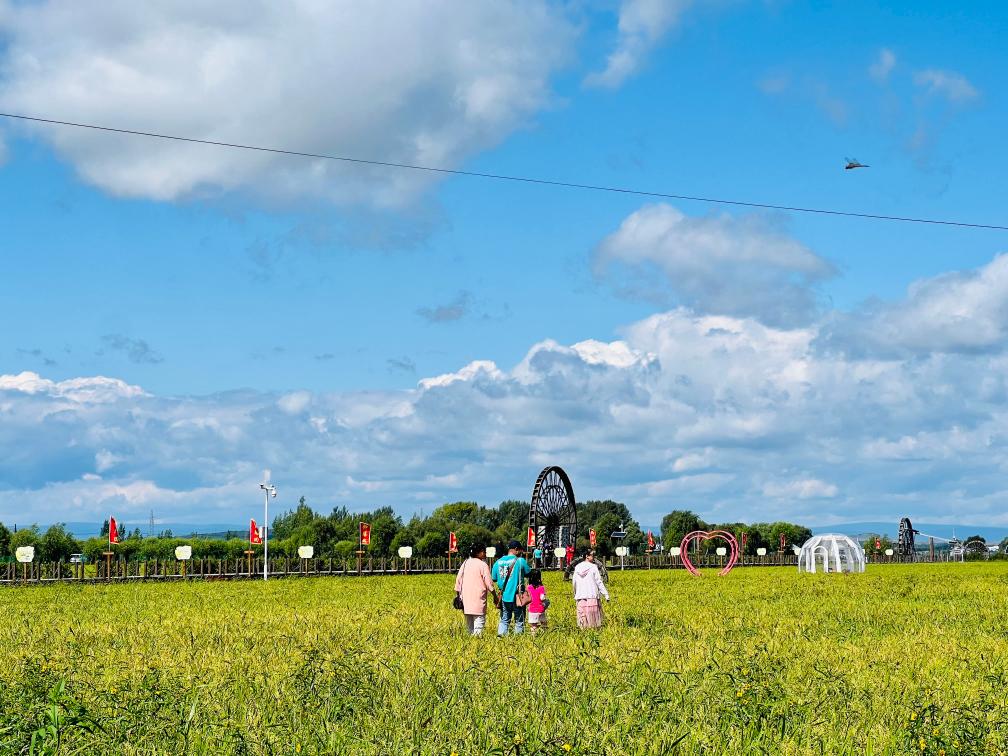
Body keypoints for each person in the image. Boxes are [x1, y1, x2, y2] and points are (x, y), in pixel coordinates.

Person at [454, 543, 497, 636]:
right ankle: (476, 645)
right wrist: (495, 595)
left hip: (465, 600)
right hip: (478, 600)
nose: (485, 554)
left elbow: (458, 581)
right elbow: (489, 583)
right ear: (479, 553)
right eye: (484, 552)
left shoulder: (465, 563)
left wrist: (458, 595)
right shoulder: (483, 565)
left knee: (469, 628)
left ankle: (469, 645)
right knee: (478, 626)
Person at [491, 540, 531, 636]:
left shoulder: (498, 562)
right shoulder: (520, 561)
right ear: (516, 549)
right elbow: (528, 573)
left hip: (504, 596)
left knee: (504, 619)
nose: (521, 553)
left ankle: (501, 637)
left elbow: (494, 578)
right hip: (518, 596)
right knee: (519, 620)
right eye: (520, 551)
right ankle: (518, 640)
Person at [571, 549, 609, 629]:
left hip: (580, 596)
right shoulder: (593, 567)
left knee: (582, 617)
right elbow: (599, 582)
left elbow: (574, 582)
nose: (594, 557)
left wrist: (575, 593)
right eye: (592, 555)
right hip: (592, 595)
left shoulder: (577, 567)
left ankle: (583, 632)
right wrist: (605, 594)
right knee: (594, 620)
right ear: (587, 556)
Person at [526, 568, 549, 633]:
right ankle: (545, 634)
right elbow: (542, 598)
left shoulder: (528, 587)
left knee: (533, 626)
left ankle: (533, 636)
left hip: (532, 610)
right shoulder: (541, 587)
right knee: (544, 623)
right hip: (540, 609)